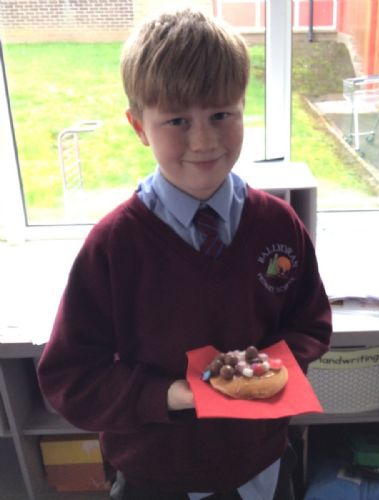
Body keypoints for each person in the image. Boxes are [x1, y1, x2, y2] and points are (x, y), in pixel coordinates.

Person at [37, 8, 332, 500]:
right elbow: (71, 377)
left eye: (221, 115)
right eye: (177, 120)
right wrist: (172, 394)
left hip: (261, 464)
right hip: (157, 474)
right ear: (139, 127)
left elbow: (310, 324)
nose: (204, 141)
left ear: (243, 108)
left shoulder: (279, 224)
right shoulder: (114, 246)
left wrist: (267, 369)